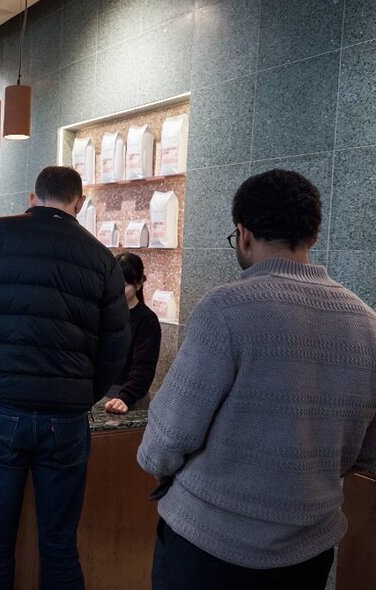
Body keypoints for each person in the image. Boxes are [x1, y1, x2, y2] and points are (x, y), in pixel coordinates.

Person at [137, 169, 376, 590]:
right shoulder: (366, 324)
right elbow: (368, 452)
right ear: (314, 235)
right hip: (307, 551)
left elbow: (167, 439)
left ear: (243, 234)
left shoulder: (225, 309)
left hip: (207, 545)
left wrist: (156, 466)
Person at [0, 166, 130, 589]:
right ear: (79, 203)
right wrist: (83, 394)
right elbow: (116, 347)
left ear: (32, 197)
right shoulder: (101, 258)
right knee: (60, 546)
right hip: (67, 419)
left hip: (2, 410)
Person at [104, 252, 161, 415]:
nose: (118, 290)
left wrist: (126, 397)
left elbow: (144, 367)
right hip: (102, 392)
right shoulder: (106, 313)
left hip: (130, 397)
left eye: (125, 285)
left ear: (138, 284)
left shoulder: (147, 320)